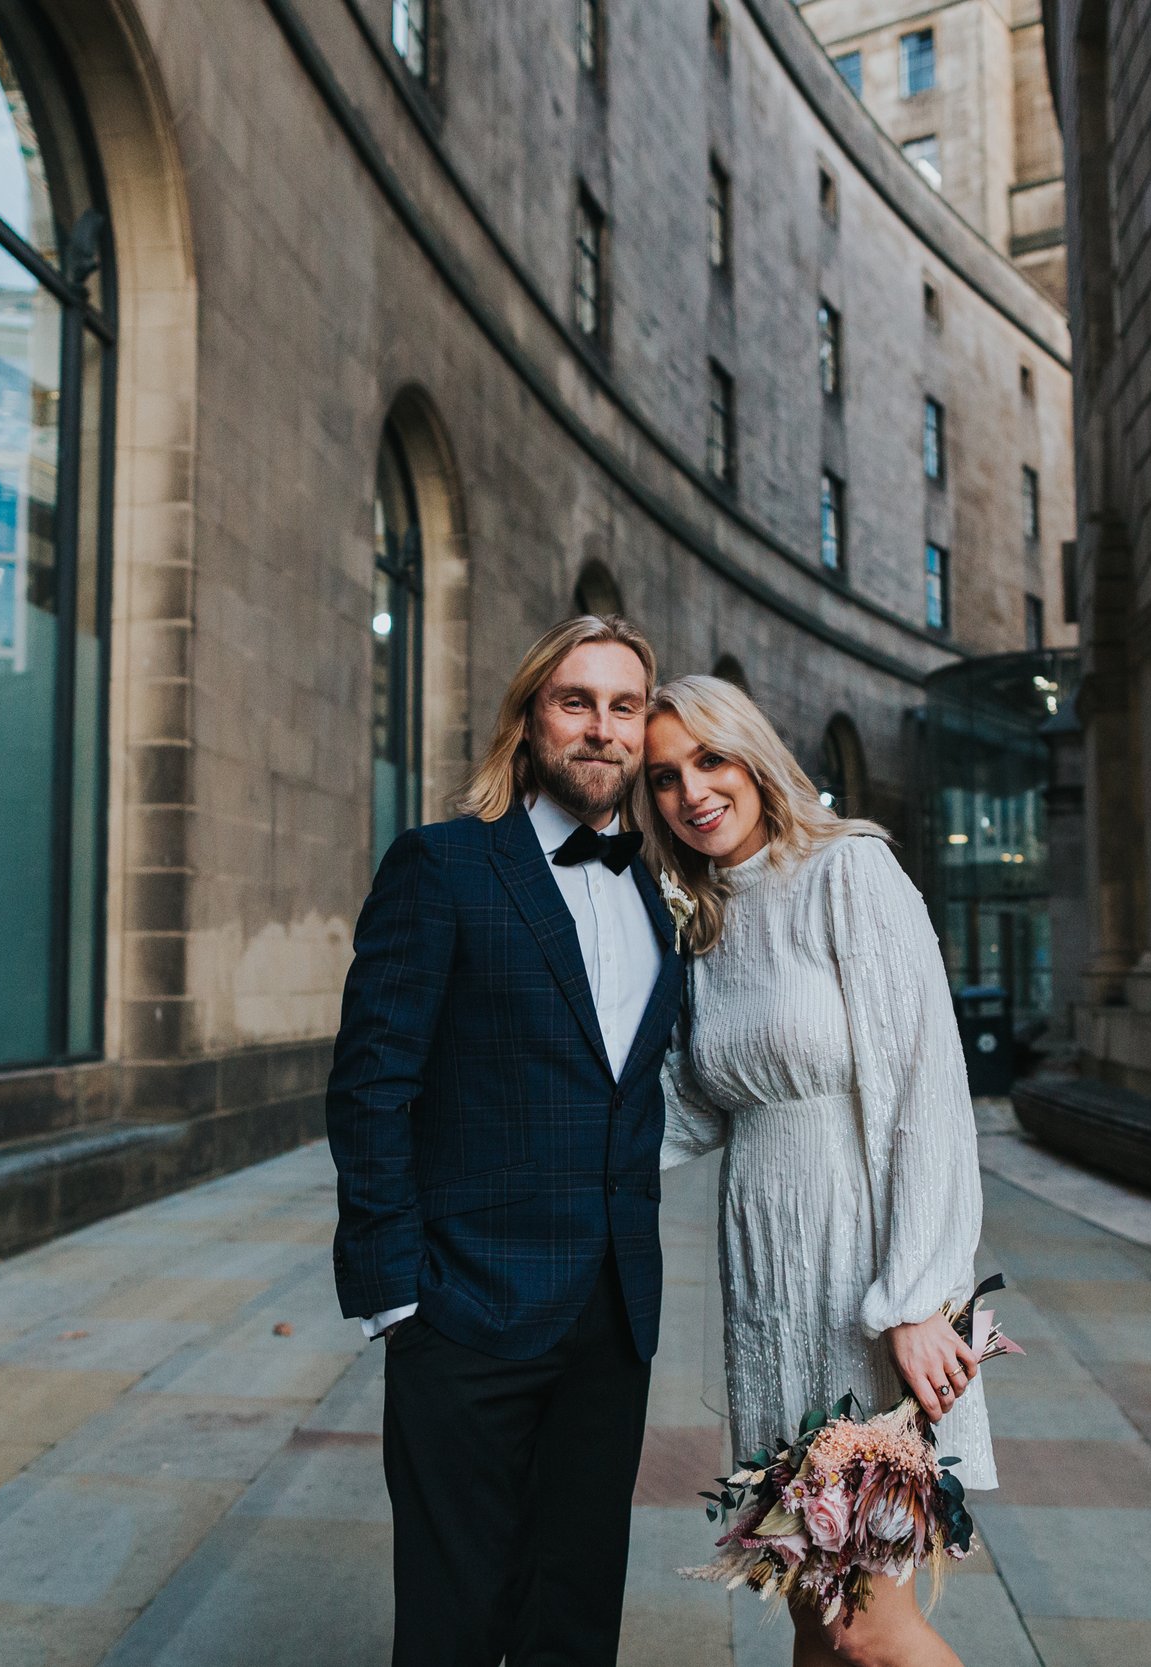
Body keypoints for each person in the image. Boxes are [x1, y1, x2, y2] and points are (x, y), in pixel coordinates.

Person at [326, 615, 684, 1667]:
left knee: (575, 1612)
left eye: (623, 707)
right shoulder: (441, 865)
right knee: (455, 1617)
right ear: (530, 719)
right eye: (576, 701)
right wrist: (397, 1292)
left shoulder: (657, 896)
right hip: (465, 1307)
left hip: (612, 1314)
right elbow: (371, 1083)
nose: (600, 728)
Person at [641, 675, 993, 1667]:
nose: (691, 790)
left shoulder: (847, 872)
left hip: (866, 1283)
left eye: (709, 758)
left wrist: (919, 1294)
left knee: (869, 1621)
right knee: (811, 1602)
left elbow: (927, 1086)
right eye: (664, 775)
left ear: (752, 755)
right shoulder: (702, 919)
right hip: (766, 1284)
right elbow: (695, 1107)